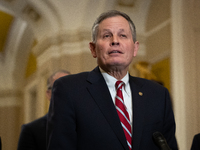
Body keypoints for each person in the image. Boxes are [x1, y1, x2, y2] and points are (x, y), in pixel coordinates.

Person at [47, 10, 178, 150]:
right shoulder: (69, 89)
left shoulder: (158, 94)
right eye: (107, 35)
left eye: (123, 35)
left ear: (135, 48)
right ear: (93, 49)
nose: (115, 41)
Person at [17, 70, 70, 150]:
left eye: (70, 87)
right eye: (60, 88)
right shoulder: (31, 131)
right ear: (49, 94)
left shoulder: (86, 125)